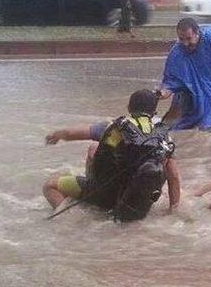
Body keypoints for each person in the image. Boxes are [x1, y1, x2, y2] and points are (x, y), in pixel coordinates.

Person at [43, 90, 181, 221]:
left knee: (50, 186)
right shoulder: (163, 136)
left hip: (104, 193)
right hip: (137, 198)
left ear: (129, 107)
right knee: (94, 148)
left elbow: (70, 134)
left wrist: (56, 135)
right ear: (154, 112)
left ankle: (69, 220)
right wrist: (173, 209)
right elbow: (173, 176)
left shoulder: (115, 126)